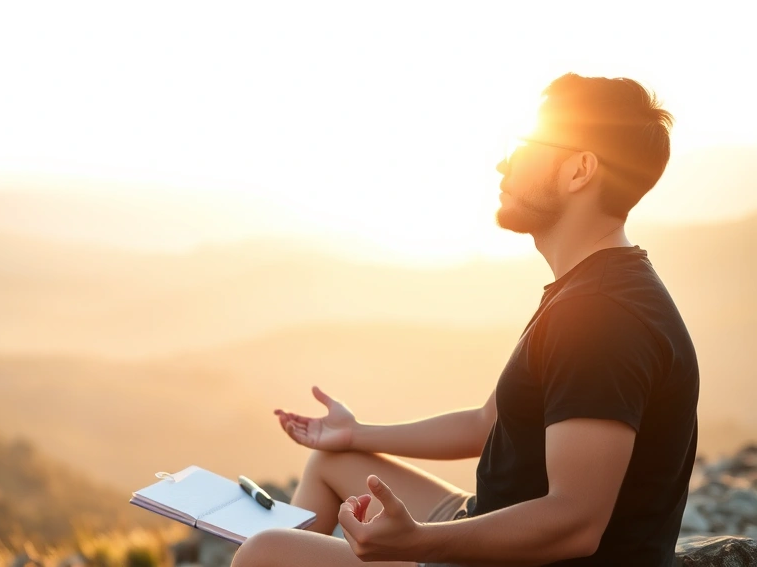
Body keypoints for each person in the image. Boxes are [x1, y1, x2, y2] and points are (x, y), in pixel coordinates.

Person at [229, 73, 699, 566]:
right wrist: (354, 434)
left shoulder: (603, 317)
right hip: (488, 518)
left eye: (527, 145)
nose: (503, 162)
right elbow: (485, 425)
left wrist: (416, 544)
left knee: (264, 551)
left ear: (580, 170)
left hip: (524, 559)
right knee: (332, 461)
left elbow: (575, 524)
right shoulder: (591, 287)